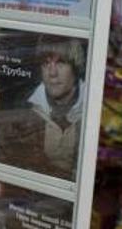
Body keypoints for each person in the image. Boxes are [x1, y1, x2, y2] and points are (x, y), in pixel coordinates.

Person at [27, 36, 85, 176]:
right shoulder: (26, 109)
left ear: (75, 68)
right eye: (46, 64)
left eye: (61, 63)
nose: (52, 73)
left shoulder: (92, 107)